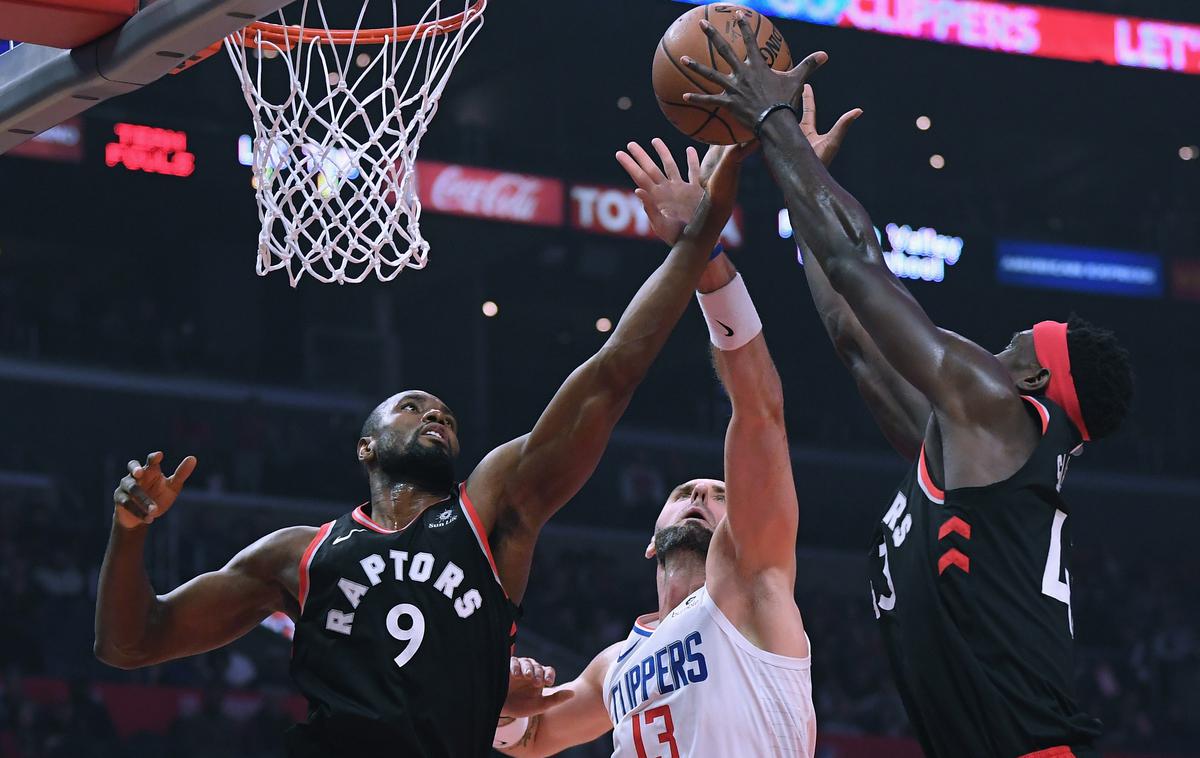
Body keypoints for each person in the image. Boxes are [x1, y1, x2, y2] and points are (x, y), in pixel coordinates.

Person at [92, 145, 743, 758]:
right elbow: (129, 642)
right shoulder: (297, 554)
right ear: (366, 445)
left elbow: (610, 375)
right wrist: (129, 530)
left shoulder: (491, 510)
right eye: (413, 406)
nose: (435, 413)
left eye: (447, 415)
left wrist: (696, 240)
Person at [682, 14, 1134, 757]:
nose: (997, 347)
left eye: (1015, 342)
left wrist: (777, 124)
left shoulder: (998, 411)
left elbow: (862, 268)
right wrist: (803, 187)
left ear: (1037, 376)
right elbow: (853, 338)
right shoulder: (974, 458)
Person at [489, 112, 854, 757]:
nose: (699, 494)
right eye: (688, 490)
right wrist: (507, 712)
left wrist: (706, 260)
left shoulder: (752, 580)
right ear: (649, 542)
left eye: (717, 493)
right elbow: (536, 737)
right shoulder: (617, 664)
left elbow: (760, 409)